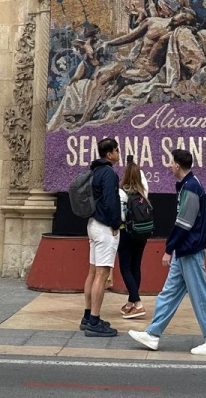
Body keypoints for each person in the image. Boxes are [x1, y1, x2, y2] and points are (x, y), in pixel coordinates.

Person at [128, 148, 206, 355]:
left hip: (190, 250)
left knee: (200, 295)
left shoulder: (191, 187)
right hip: (185, 250)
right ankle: (153, 334)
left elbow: (184, 223)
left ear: (178, 166)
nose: (169, 165)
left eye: (171, 162)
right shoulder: (188, 185)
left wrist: (169, 249)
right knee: (169, 293)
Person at [79, 137, 122, 337]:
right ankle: (95, 322)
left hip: (93, 223)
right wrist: (115, 224)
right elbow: (111, 201)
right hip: (104, 226)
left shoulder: (95, 171)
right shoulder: (109, 173)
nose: (118, 153)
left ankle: (88, 316)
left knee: (92, 272)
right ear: (110, 154)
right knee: (102, 274)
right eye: (117, 150)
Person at [117, 157, 150, 320]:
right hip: (142, 233)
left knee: (125, 268)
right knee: (136, 266)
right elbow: (141, 178)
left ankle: (137, 303)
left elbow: (121, 216)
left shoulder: (121, 193)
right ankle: (130, 303)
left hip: (126, 233)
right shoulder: (144, 191)